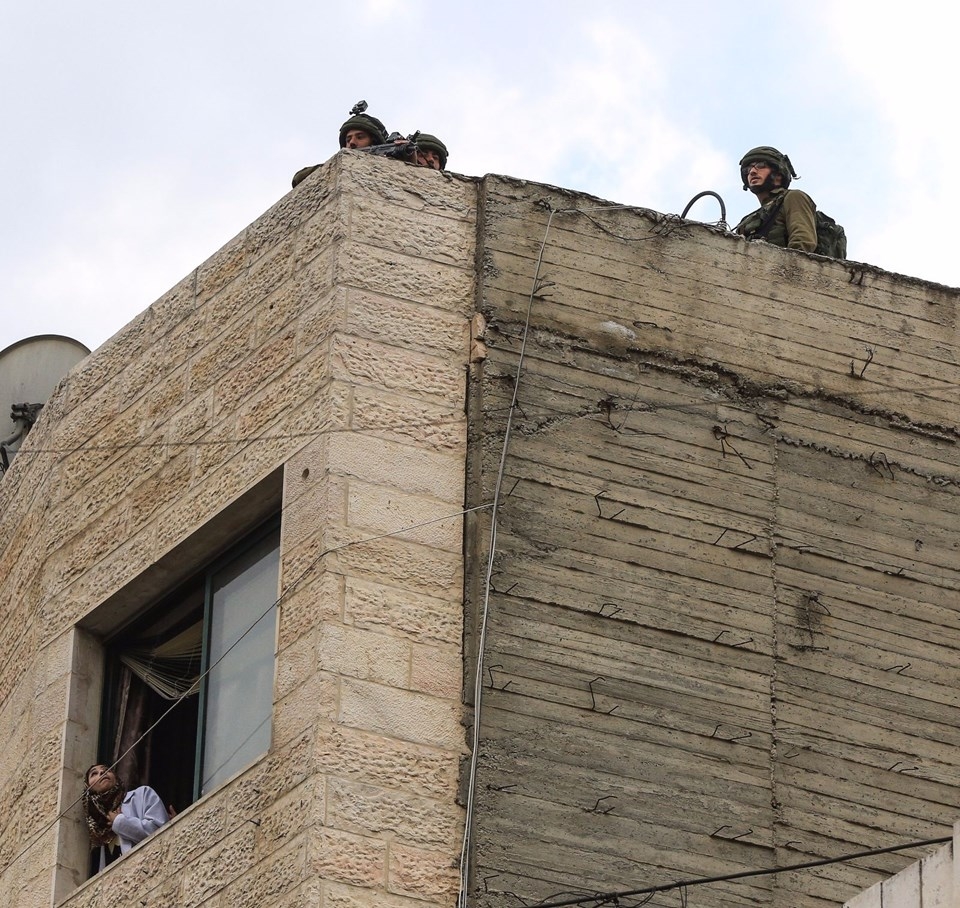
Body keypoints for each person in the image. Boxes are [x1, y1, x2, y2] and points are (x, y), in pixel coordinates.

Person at [83, 764, 170, 870]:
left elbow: (161, 833)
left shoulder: (141, 795)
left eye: (106, 770)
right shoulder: (96, 831)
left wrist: (120, 822)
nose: (102, 773)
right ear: (88, 788)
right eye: (94, 773)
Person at [734, 146, 817, 253]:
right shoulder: (746, 221)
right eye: (748, 169)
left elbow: (802, 244)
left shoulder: (793, 197)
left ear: (778, 174)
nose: (752, 172)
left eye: (761, 165)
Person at [291, 101, 390, 188]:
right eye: (348, 139)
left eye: (360, 137)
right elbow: (298, 178)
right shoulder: (336, 168)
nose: (352, 143)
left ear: (375, 142)